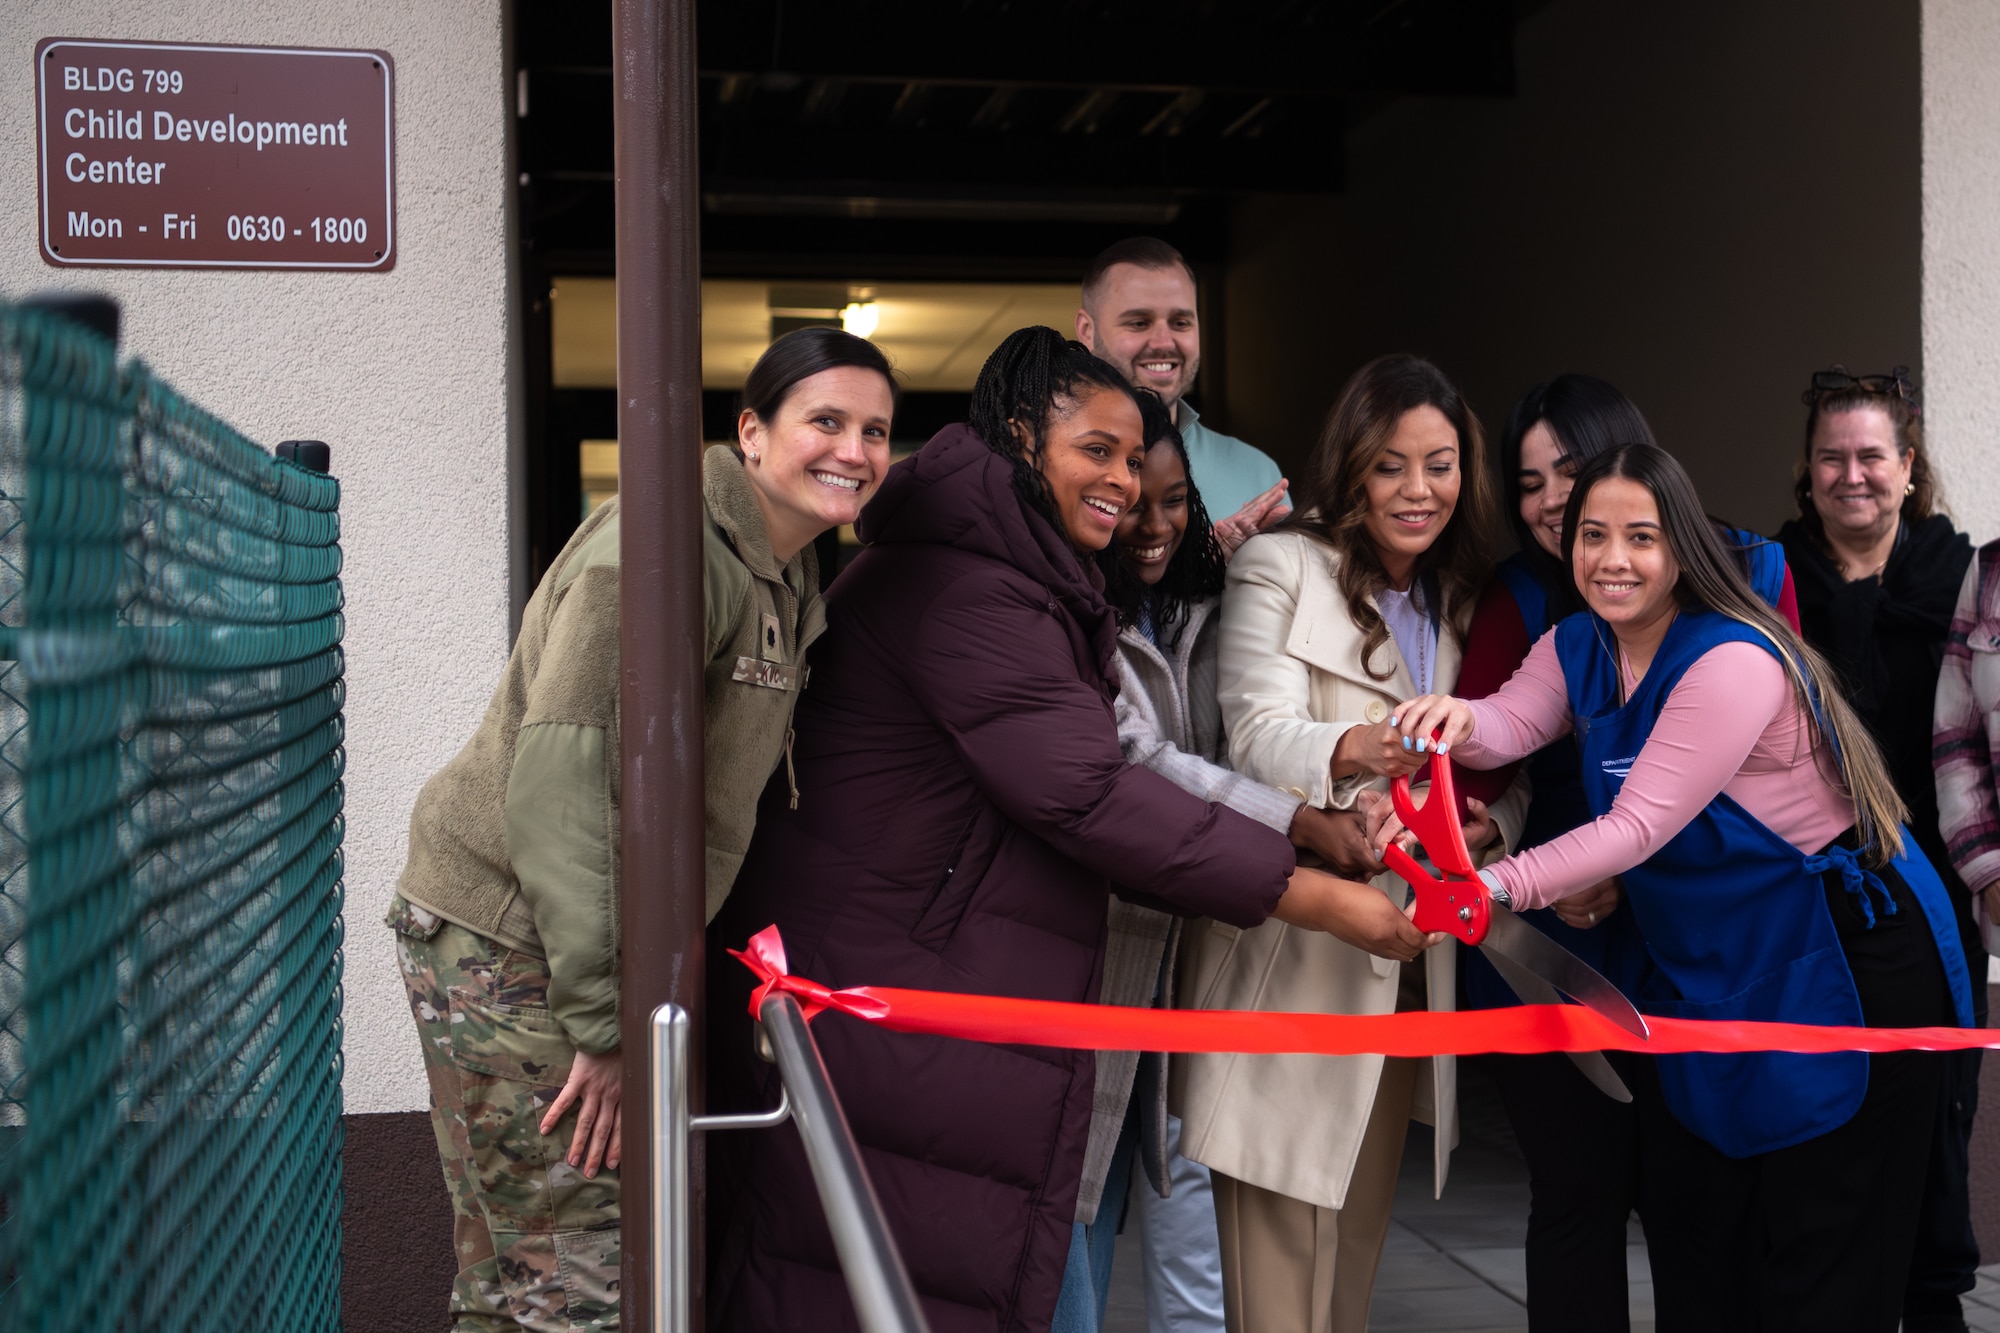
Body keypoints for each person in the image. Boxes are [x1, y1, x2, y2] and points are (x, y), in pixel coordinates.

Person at [705, 327, 1432, 1333]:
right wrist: (1311, 896)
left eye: (1135, 459)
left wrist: (1303, 823)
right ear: (1016, 436)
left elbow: (1121, 761)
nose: (1126, 483)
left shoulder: (1019, 576)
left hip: (927, 993)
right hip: (900, 1003)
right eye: (1097, 450)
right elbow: (1092, 794)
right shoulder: (971, 587)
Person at [1394, 442, 1975, 1333]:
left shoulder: (1729, 661)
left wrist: (1491, 888)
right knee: (1703, 1241)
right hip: (1713, 969)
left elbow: (1635, 829)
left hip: (1842, 964)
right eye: (1592, 535)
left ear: (1683, 552)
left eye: (1641, 536)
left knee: (1823, 1268)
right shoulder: (1578, 642)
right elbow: (1512, 721)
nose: (1611, 559)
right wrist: (1454, 718)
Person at [385, 327, 898, 1330]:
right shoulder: (659, 557)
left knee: (519, 1275)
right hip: (515, 938)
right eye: (824, 421)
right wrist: (603, 1023)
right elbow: (562, 779)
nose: (854, 449)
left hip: (565, 946)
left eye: (876, 430)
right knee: (570, 1276)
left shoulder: (779, 568)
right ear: (751, 432)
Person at [1183, 353, 1524, 1333]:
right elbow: (1252, 731)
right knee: (1277, 1287)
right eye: (1389, 465)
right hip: (1291, 963)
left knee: (1349, 1278)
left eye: (1440, 463)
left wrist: (1485, 821)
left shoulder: (1468, 598)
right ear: (1350, 467)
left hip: (1408, 962)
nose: (1417, 490)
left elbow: (1509, 752)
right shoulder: (1278, 563)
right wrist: (1364, 746)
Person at [1451, 374, 1798, 1332]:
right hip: (1562, 928)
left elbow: (1741, 785)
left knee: (1706, 1184)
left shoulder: (1748, 583)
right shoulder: (1534, 606)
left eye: (1573, 469)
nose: (1556, 500)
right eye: (1531, 481)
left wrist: (1544, 873)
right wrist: (1459, 793)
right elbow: (1490, 736)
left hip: (1705, 929)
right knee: (1581, 1185)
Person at [1056, 399, 1388, 1333]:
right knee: (1073, 1228)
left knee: (1179, 1232)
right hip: (1097, 964)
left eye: (1174, 503)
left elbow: (1251, 740)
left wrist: (1341, 794)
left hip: (1196, 963)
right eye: (1133, 504)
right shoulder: (1076, 614)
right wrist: (1303, 829)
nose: (1153, 526)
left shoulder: (1211, 607)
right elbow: (1139, 764)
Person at [1775, 365, 1981, 1333]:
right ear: (1803, 470)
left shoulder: (1961, 577)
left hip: (1936, 892)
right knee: (1829, 1118)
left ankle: (1928, 1305)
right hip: (1809, 897)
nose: (1849, 475)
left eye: (1869, 456)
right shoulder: (1762, 581)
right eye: (1830, 456)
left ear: (1907, 468)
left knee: (1934, 1112)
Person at [1074, 236, 1291, 552]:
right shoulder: (1056, 464)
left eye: (1180, 322)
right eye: (1139, 322)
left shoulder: (1257, 471)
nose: (1164, 342)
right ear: (1087, 332)